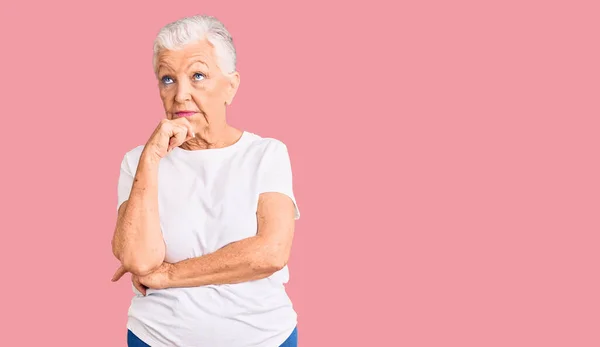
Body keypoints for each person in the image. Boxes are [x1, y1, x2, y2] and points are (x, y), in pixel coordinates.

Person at [110, 14, 300, 347]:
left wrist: (168, 275)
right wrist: (151, 159)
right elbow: (138, 259)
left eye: (197, 75)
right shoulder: (138, 162)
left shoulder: (266, 154)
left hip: (264, 339)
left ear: (231, 86)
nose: (181, 94)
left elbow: (269, 253)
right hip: (157, 338)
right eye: (167, 79)